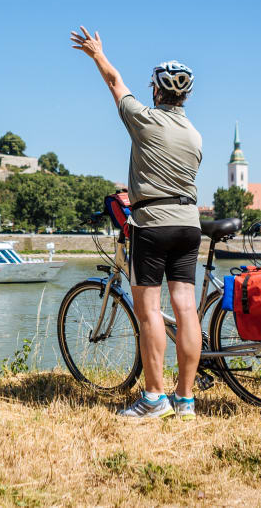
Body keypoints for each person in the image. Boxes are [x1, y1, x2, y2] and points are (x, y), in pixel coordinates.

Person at [70, 26, 203, 420]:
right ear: (187, 96)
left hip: (153, 222)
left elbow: (115, 81)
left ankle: (154, 397)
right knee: (186, 309)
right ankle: (186, 400)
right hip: (190, 223)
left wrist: (97, 54)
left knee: (148, 312)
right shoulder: (195, 135)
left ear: (158, 92)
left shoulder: (145, 119)